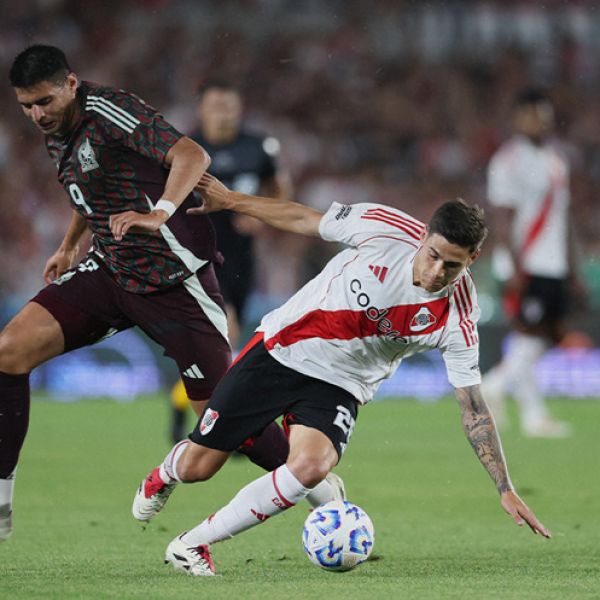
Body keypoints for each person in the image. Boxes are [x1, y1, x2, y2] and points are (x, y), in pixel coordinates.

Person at [132, 174, 551, 577]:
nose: (437, 272)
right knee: (198, 467)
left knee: (310, 467)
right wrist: (233, 201)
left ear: (473, 259)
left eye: (452, 266)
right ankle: (164, 474)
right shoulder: (384, 228)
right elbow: (304, 219)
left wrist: (504, 487)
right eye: (433, 255)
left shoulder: (458, 318)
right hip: (283, 350)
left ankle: (192, 544)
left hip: (342, 384)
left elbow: (473, 408)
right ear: (423, 236)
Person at [0, 45, 337, 543]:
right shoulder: (59, 132)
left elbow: (190, 154)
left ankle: (326, 493)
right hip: (110, 272)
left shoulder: (111, 110)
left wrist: (159, 212)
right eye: (27, 105)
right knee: (9, 350)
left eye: (45, 101)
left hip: (174, 282)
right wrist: (71, 244)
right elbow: (88, 187)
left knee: (228, 423)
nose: (37, 114)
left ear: (71, 83)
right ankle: (2, 499)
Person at [169, 79, 292, 442]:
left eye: (230, 107)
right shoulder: (186, 148)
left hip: (242, 257)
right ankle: (224, 426)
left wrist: (262, 216)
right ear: (201, 110)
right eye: (216, 107)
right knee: (226, 333)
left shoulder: (258, 147)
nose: (224, 115)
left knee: (221, 340)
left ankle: (184, 408)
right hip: (199, 255)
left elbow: (279, 186)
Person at [482, 87, 585, 438]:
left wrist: (575, 266)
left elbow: (565, 216)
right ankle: (532, 414)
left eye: (543, 115)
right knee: (530, 334)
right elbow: (501, 216)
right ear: (517, 118)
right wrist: (513, 265)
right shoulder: (508, 160)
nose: (538, 122)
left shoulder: (557, 160)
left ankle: (498, 383)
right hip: (527, 263)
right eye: (531, 115)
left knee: (548, 334)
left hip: (554, 263)